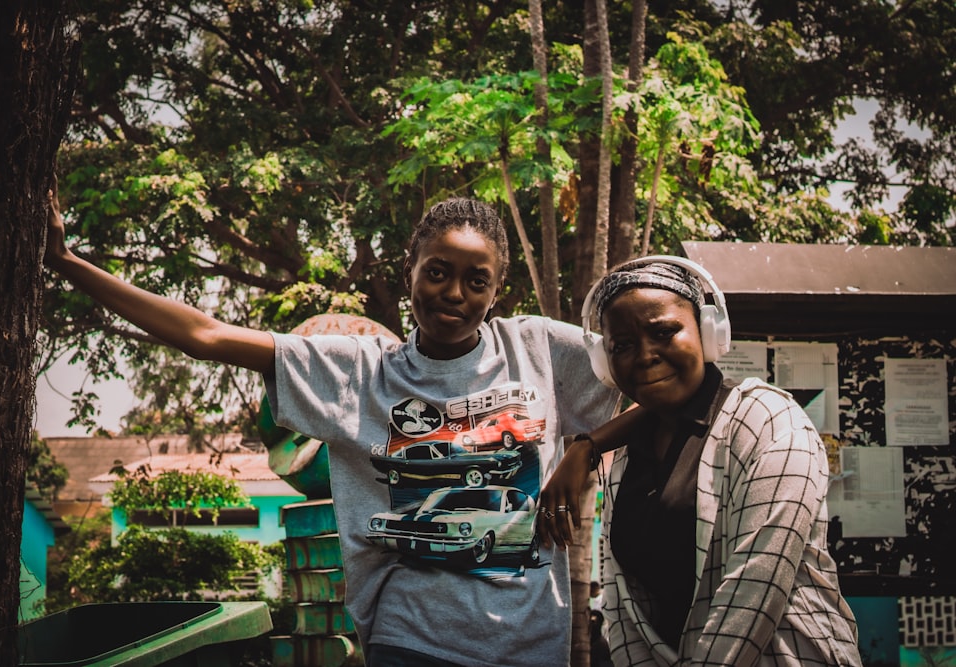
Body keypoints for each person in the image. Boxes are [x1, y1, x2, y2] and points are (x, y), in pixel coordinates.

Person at [45, 186, 642, 667]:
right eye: (437, 271)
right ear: (409, 270)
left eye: (475, 280)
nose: (454, 293)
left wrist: (586, 447)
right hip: (413, 640)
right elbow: (206, 335)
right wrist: (68, 262)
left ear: (496, 289)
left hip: (531, 642)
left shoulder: (540, 349)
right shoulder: (356, 372)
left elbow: (672, 387)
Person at [539, 257, 861, 666]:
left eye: (664, 332)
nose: (645, 356)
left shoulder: (771, 422)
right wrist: (587, 445)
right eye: (622, 345)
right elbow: (625, 611)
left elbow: (752, 594)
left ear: (708, 333)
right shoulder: (626, 458)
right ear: (605, 361)